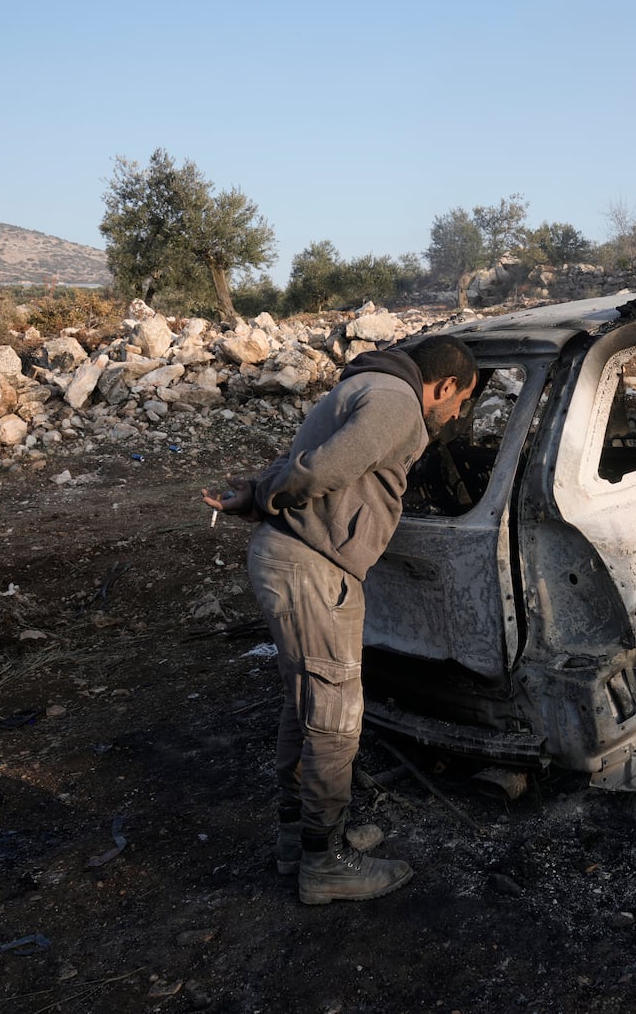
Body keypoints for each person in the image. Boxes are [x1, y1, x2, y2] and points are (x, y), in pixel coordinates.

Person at [202, 334, 476, 904]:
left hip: (299, 560)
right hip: (310, 567)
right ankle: (325, 863)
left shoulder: (362, 385)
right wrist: (264, 496)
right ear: (445, 385)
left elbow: (306, 461)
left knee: (304, 704)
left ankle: (298, 838)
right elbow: (324, 468)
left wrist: (258, 493)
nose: (458, 415)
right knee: (334, 716)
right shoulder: (399, 401)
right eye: (461, 402)